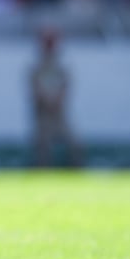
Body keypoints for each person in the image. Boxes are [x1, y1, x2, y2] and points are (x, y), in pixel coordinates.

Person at [29, 29, 80, 167]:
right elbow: (35, 89)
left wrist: (57, 99)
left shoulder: (61, 68)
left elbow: (66, 86)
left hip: (59, 116)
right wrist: (47, 100)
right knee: (43, 148)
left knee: (75, 145)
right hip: (43, 117)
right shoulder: (37, 68)